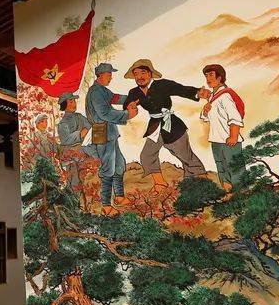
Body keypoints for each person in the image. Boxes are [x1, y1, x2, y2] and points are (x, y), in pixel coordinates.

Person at [123, 59, 209, 190]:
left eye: (143, 72)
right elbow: (127, 104)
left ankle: (204, 182)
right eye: (136, 74)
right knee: (147, 155)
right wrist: (129, 106)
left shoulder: (162, 84)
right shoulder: (134, 92)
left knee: (185, 156)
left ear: (150, 73)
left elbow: (181, 89)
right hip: (154, 127)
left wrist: (197, 92)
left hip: (173, 126)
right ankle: (160, 184)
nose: (139, 77)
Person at [85, 63, 138, 215]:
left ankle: (119, 197)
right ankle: (106, 205)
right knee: (108, 167)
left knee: (119, 163)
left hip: (110, 131)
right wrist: (127, 115)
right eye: (109, 75)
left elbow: (115, 97)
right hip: (102, 132)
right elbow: (104, 113)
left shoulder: (102, 90)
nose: (111, 77)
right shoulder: (95, 92)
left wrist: (133, 98)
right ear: (100, 75)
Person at [200, 64, 245, 191]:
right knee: (221, 168)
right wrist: (205, 111)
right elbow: (207, 118)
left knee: (235, 168)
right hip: (216, 140)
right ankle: (228, 193)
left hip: (229, 140)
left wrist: (233, 136)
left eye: (211, 75)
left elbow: (235, 117)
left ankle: (242, 194)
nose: (208, 78)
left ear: (220, 77)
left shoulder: (225, 95)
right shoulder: (212, 97)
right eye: (206, 76)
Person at [56, 92, 96, 188]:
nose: (74, 104)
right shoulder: (62, 123)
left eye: (74, 101)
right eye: (71, 102)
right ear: (64, 105)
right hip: (70, 156)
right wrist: (80, 134)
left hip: (81, 151)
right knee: (74, 183)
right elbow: (66, 140)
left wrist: (85, 131)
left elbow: (89, 125)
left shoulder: (79, 116)